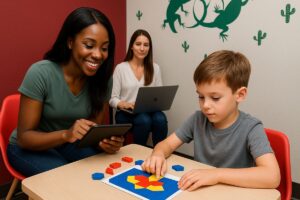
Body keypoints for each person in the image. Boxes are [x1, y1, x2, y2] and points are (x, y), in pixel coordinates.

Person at [7, 7, 124, 177]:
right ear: (70, 42)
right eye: (89, 45)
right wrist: (66, 134)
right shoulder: (40, 73)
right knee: (69, 178)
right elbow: (25, 138)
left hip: (69, 144)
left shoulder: (103, 79)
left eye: (104, 48)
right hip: (26, 148)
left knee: (101, 173)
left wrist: (103, 143)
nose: (98, 55)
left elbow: (92, 129)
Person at [141, 50, 280, 191]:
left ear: (240, 95)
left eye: (215, 98)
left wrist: (217, 175)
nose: (205, 105)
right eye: (201, 97)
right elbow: (167, 145)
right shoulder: (197, 119)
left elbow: (272, 176)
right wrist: (158, 154)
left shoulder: (251, 127)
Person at [109, 29, 168, 146]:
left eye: (146, 45)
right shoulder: (121, 68)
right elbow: (112, 99)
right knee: (144, 120)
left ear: (149, 48)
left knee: (160, 119)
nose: (142, 48)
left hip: (148, 111)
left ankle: (159, 153)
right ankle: (138, 154)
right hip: (126, 113)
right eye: (138, 44)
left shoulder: (155, 68)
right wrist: (124, 104)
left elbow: (159, 94)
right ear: (131, 46)